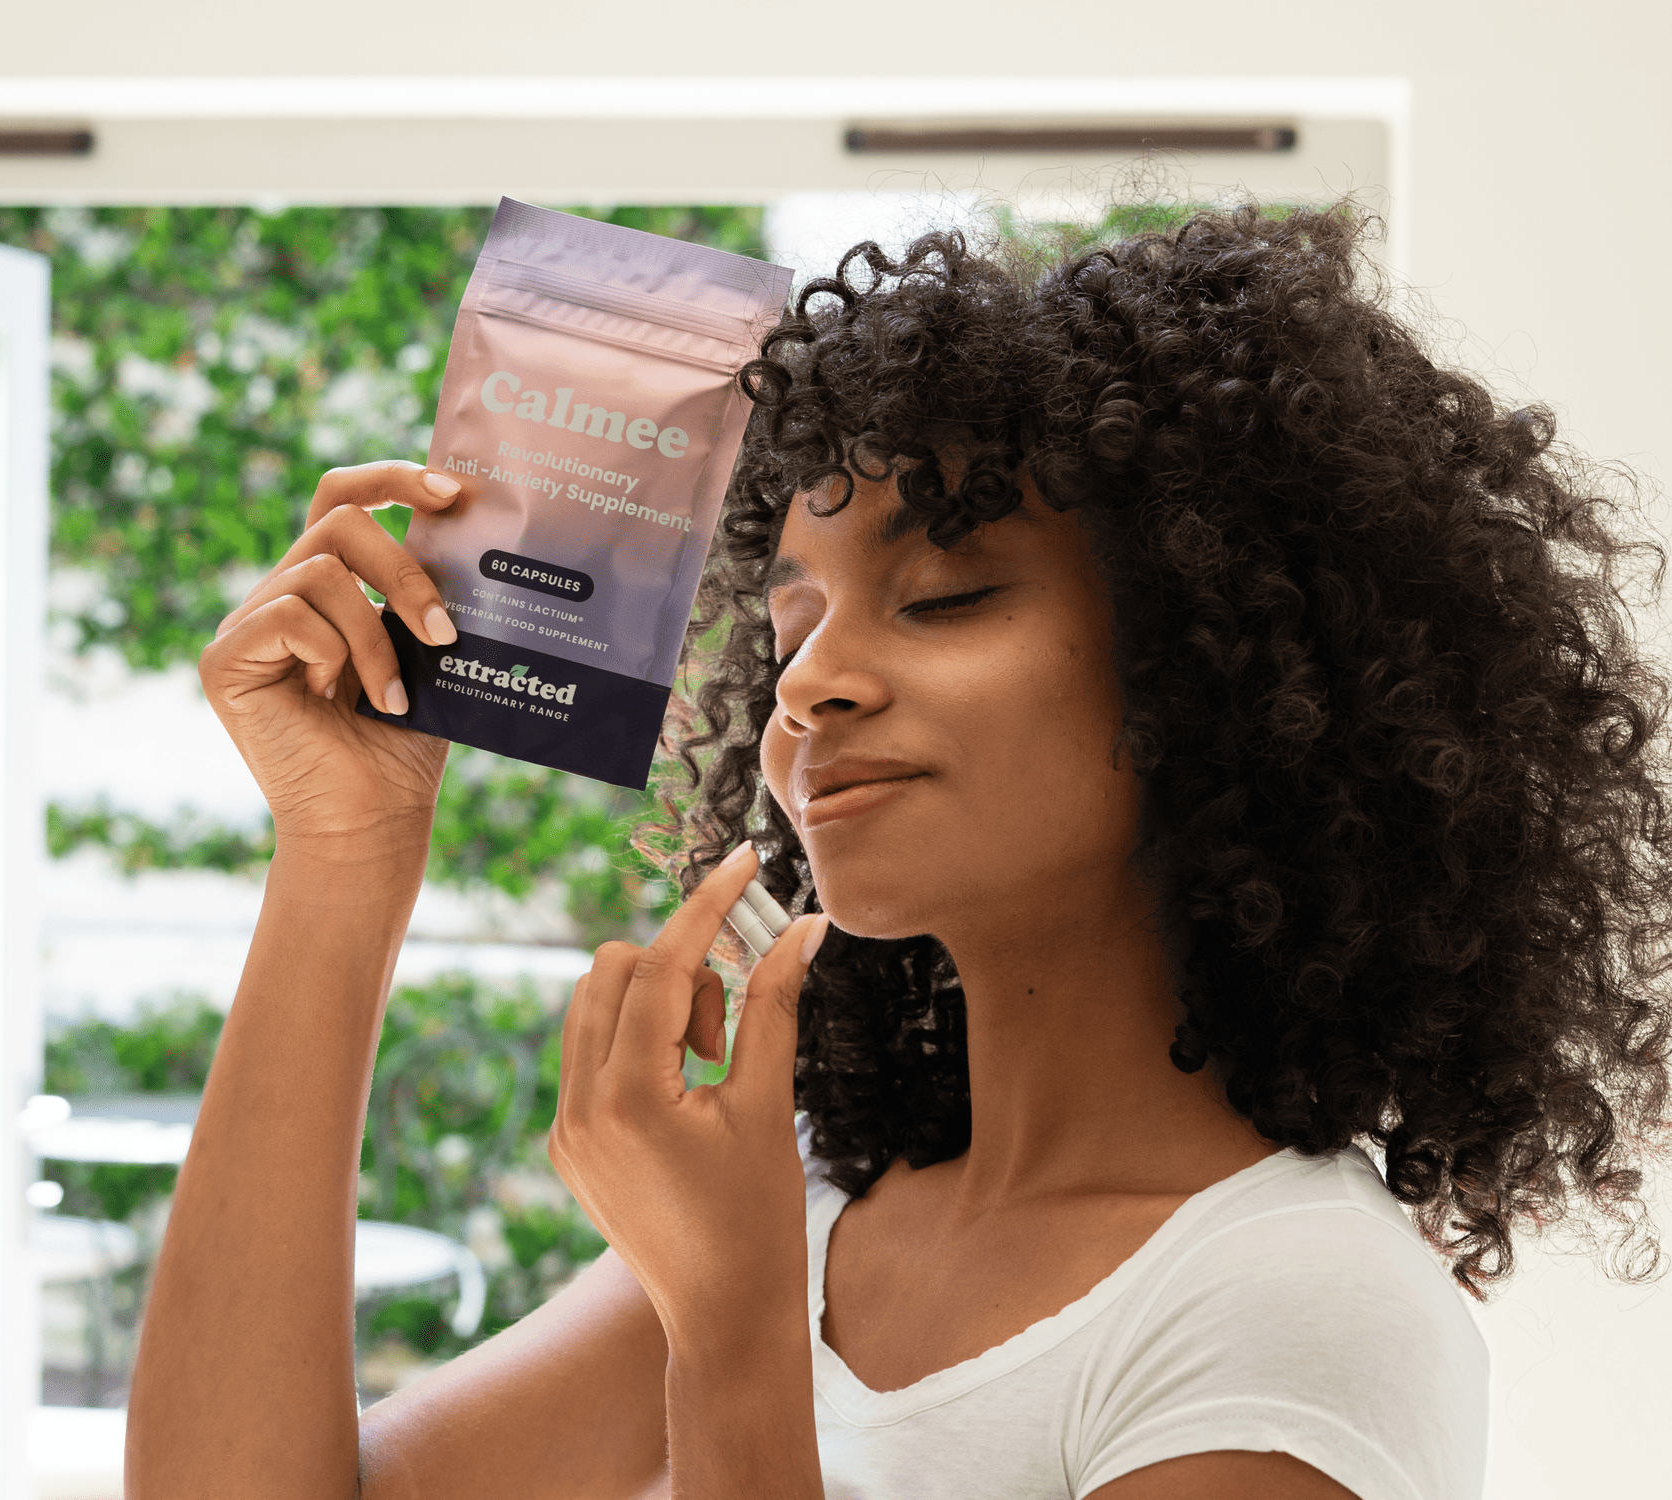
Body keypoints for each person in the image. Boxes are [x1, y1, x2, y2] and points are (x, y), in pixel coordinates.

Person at [123, 205, 1672, 1499]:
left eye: (940, 598)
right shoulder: (820, 1209)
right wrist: (343, 855)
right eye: (790, 622)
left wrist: (731, 1329)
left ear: (1213, 671)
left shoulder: (1293, 1306)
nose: (808, 684)